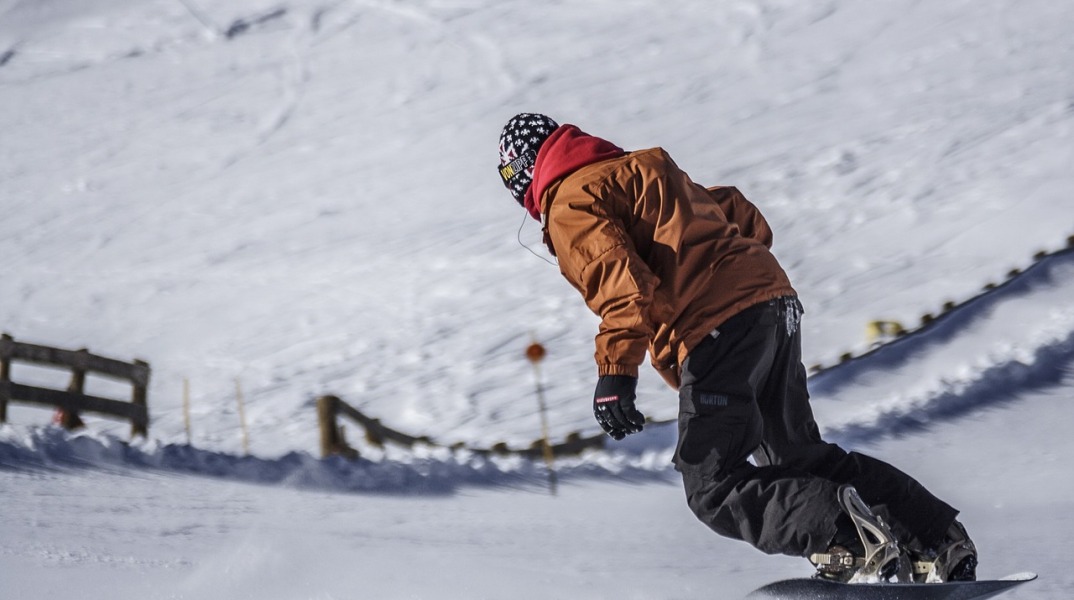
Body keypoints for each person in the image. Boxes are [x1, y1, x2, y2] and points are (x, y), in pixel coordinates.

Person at [495, 113, 978, 583]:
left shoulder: (571, 201)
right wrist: (736, 271)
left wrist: (615, 374)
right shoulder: (643, 167)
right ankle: (937, 542)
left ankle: (851, 541)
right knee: (797, 458)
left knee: (711, 484)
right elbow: (737, 210)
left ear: (521, 174)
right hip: (772, 303)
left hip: (718, 325)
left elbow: (622, 287)